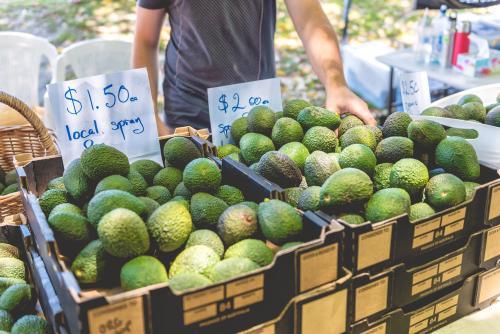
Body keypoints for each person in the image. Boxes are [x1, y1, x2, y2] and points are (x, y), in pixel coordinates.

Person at [133, 0, 376, 136]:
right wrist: (149, 113)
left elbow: (310, 20)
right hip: (189, 111)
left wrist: (336, 84)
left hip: (257, 112)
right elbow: (145, 39)